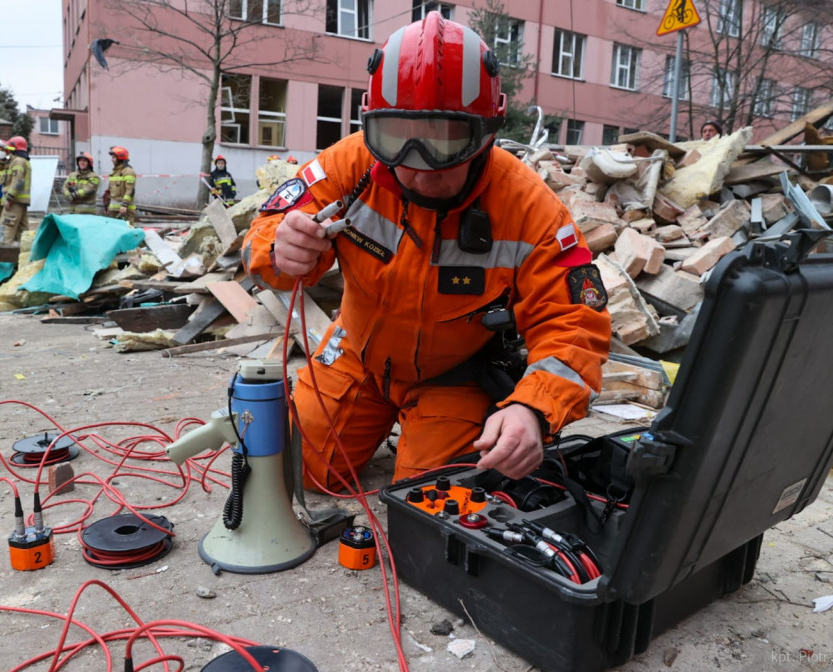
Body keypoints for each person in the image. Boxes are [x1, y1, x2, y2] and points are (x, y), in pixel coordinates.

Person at [242, 12, 611, 492]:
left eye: (444, 143)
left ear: (487, 133)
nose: (416, 169)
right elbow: (264, 231)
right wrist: (280, 248)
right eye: (396, 139)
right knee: (304, 473)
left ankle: (429, 430)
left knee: (428, 503)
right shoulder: (349, 163)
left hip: (452, 375)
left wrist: (533, 409)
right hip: (357, 352)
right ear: (372, 126)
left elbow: (574, 324)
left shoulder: (528, 207)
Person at [0, 135, 31, 245]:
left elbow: (18, 181)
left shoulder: (18, 161)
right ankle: (23, 257)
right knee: (22, 232)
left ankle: (3, 255)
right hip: (21, 202)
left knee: (6, 228)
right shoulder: (24, 161)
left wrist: (9, 198)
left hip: (14, 202)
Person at [106, 146, 137, 226]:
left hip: (125, 210)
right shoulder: (114, 172)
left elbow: (130, 190)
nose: (112, 159)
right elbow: (110, 190)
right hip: (114, 209)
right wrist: (107, 205)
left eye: (114, 157)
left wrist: (124, 205)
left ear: (120, 158)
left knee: (127, 232)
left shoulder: (128, 171)